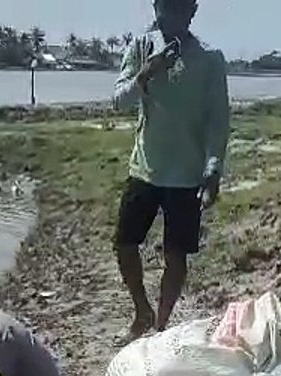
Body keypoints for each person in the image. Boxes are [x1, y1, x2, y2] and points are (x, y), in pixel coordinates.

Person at [112, 0, 231, 343]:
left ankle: (161, 327)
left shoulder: (210, 58)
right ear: (156, 7)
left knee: (175, 255)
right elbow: (120, 100)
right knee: (124, 243)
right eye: (166, 6)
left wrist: (213, 170)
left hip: (187, 174)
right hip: (144, 168)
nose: (172, 14)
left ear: (192, 11)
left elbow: (217, 119)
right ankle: (141, 312)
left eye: (180, 8)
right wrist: (146, 73)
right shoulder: (140, 46)